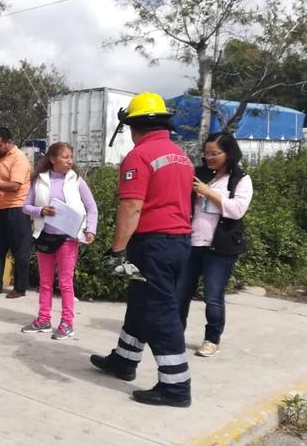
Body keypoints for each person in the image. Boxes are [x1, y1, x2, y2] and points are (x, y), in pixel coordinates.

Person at [89, 92, 195, 408]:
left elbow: (132, 206)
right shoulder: (181, 155)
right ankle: (124, 360)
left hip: (153, 244)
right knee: (141, 302)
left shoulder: (139, 156)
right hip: (178, 242)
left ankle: (176, 387)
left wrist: (117, 250)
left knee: (160, 313)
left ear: (134, 126)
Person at [179, 132, 253, 357]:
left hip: (220, 248)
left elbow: (237, 210)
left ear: (228, 153)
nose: (209, 158)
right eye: (206, 153)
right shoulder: (199, 174)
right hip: (192, 243)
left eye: (215, 153)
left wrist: (208, 192)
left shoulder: (240, 179)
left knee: (213, 296)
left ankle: (212, 338)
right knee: (180, 292)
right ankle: (174, 333)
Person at [21, 142, 98, 340]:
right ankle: (44, 319)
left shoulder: (77, 181)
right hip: (45, 236)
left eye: (70, 157)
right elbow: (25, 206)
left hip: (68, 238)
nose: (69, 160)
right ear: (52, 159)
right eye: (65, 157)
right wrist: (41, 211)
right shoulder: (40, 180)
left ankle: (67, 322)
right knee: (45, 282)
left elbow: (91, 208)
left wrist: (91, 229)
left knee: (65, 282)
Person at [0, 127, 32, 299]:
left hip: (17, 208)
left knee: (19, 249)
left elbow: (14, 186)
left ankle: (20, 287)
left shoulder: (19, 159)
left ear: (9, 142)